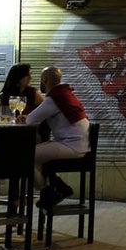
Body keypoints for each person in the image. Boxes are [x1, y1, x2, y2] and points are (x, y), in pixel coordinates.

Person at [23, 65, 91, 209]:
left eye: (41, 79)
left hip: (71, 145)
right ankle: (59, 187)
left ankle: (47, 191)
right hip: (77, 143)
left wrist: (22, 118)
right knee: (37, 155)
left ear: (45, 80)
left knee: (26, 156)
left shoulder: (54, 98)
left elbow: (31, 120)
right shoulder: (65, 94)